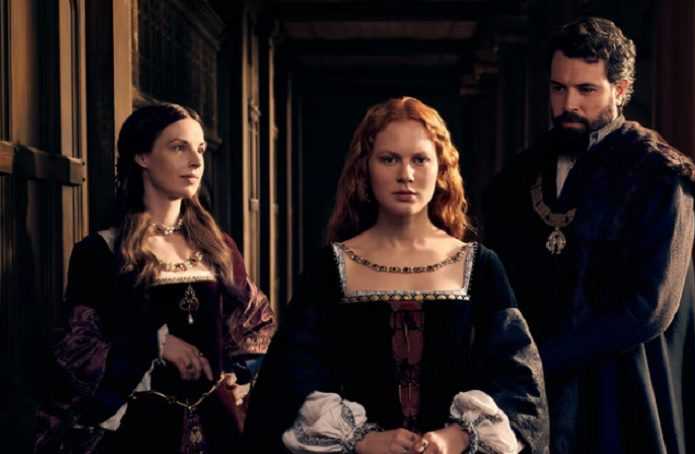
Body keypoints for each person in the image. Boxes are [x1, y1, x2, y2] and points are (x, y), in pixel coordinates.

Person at [243, 97, 549, 454]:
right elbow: (288, 383)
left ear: (441, 167)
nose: (406, 174)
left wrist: (459, 436)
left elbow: (520, 385)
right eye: (389, 159)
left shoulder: (481, 267)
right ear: (366, 167)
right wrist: (362, 439)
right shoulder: (328, 269)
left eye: (420, 159)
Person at [483, 17, 695, 454]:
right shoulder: (521, 173)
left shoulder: (659, 175)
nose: (568, 103)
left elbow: (651, 308)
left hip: (623, 390)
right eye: (558, 88)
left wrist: (548, 355)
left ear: (620, 90)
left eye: (586, 90)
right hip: (536, 392)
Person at [34, 103, 276, 453]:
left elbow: (256, 323)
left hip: (217, 428)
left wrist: (237, 375)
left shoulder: (218, 246)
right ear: (142, 156)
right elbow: (76, 350)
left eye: (200, 149)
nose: (196, 161)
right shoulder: (102, 252)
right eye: (179, 147)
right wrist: (155, 345)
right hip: (138, 432)